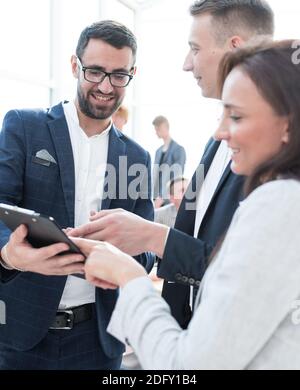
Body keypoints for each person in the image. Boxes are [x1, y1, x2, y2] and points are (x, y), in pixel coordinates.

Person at [74, 39, 300, 370]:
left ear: (288, 125)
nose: (221, 132)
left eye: (236, 116)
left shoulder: (280, 203)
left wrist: (129, 275)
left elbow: (189, 365)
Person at [69, 0, 275, 329]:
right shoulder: (218, 137)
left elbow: (249, 272)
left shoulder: (276, 148)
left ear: (235, 47)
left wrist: (152, 237)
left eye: (194, 48)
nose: (186, 64)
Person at [0, 20, 154, 370]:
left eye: (118, 75)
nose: (105, 86)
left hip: (98, 342)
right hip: (21, 335)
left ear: (132, 73)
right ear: (74, 66)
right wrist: (9, 254)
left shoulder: (137, 158)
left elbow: (146, 252)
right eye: (95, 71)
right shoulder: (24, 127)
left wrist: (118, 248)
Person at [152, 115, 186, 208]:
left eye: (158, 129)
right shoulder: (158, 151)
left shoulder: (179, 150)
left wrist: (162, 197)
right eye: (155, 129)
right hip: (156, 199)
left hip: (169, 200)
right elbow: (155, 176)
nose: (156, 132)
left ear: (165, 127)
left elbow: (177, 178)